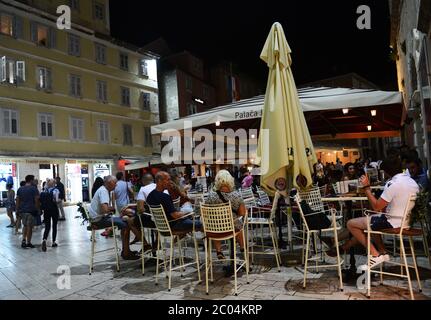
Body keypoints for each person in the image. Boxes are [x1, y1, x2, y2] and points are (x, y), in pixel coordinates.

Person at [327, 155, 419, 268]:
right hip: (407, 221)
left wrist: (366, 188)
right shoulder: (412, 182)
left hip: (393, 222)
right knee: (371, 220)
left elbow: (376, 206)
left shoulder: (393, 184)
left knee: (351, 224)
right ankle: (382, 252)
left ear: (386, 172)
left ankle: (375, 254)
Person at [88, 175, 139, 260]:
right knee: (127, 222)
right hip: (98, 220)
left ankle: (126, 251)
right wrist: (113, 209)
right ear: (109, 182)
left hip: (96, 218)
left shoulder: (102, 189)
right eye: (115, 183)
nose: (116, 185)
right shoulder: (104, 191)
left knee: (123, 218)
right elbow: (105, 209)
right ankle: (126, 252)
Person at [205, 170, 247, 260]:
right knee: (239, 226)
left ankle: (219, 251)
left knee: (215, 224)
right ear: (231, 181)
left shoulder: (211, 196)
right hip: (231, 229)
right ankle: (243, 248)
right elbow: (242, 213)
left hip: (214, 230)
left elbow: (205, 213)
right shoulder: (236, 196)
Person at [15, 175, 40, 249]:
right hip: (31, 211)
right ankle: (28, 242)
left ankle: (23, 240)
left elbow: (18, 200)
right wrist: (38, 209)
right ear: (31, 180)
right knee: (29, 227)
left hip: (22, 211)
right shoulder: (34, 189)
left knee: (25, 226)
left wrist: (17, 210)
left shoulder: (20, 189)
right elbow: (36, 200)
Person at [40, 179, 60, 251]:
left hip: (46, 210)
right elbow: (56, 200)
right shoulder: (56, 191)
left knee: (47, 226)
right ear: (54, 184)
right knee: (54, 225)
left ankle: (44, 240)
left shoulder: (44, 191)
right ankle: (53, 242)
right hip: (54, 210)